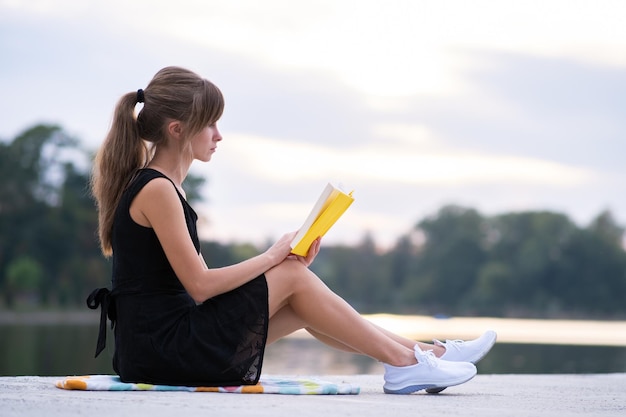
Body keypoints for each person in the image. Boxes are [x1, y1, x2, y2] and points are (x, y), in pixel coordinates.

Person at [88, 66, 497, 395]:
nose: (218, 135)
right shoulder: (157, 188)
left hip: (163, 344)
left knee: (299, 297)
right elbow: (200, 286)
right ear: (177, 129)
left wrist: (284, 265)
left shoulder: (167, 187)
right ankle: (407, 364)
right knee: (291, 275)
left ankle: (429, 353)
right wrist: (273, 258)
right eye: (209, 124)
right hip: (163, 350)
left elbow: (203, 286)